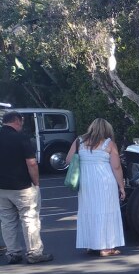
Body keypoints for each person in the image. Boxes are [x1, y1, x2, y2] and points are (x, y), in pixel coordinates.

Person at [65, 118, 125, 256]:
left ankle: (91, 244)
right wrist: (121, 186)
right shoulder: (109, 144)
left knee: (88, 210)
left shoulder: (79, 141)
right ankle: (106, 247)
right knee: (106, 211)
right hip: (104, 180)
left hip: (86, 181)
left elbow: (68, 160)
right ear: (106, 130)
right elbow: (116, 167)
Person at [0, 110, 53, 264]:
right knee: (29, 219)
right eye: (21, 122)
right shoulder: (21, 138)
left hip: (2, 188)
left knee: (7, 220)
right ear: (17, 121)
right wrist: (36, 182)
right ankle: (34, 253)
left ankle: (13, 253)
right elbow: (31, 162)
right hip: (22, 187)